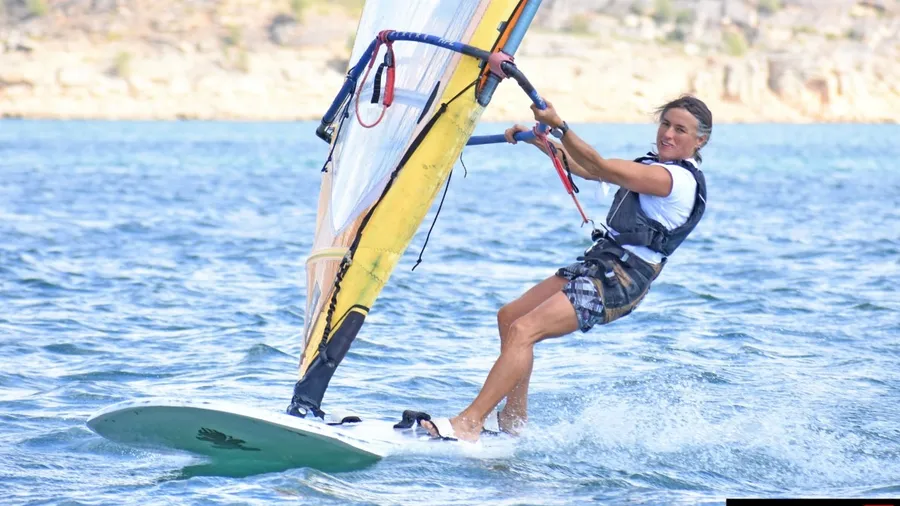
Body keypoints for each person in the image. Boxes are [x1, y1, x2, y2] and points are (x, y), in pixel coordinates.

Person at [415, 95, 712, 442]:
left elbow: (599, 164)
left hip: (621, 280)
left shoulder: (675, 180)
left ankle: (469, 422)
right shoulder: (651, 164)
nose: (668, 135)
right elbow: (585, 169)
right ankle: (513, 419)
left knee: (525, 330)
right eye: (665, 124)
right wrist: (542, 140)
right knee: (510, 317)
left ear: (699, 140)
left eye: (680, 130)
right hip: (602, 264)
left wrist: (560, 125)